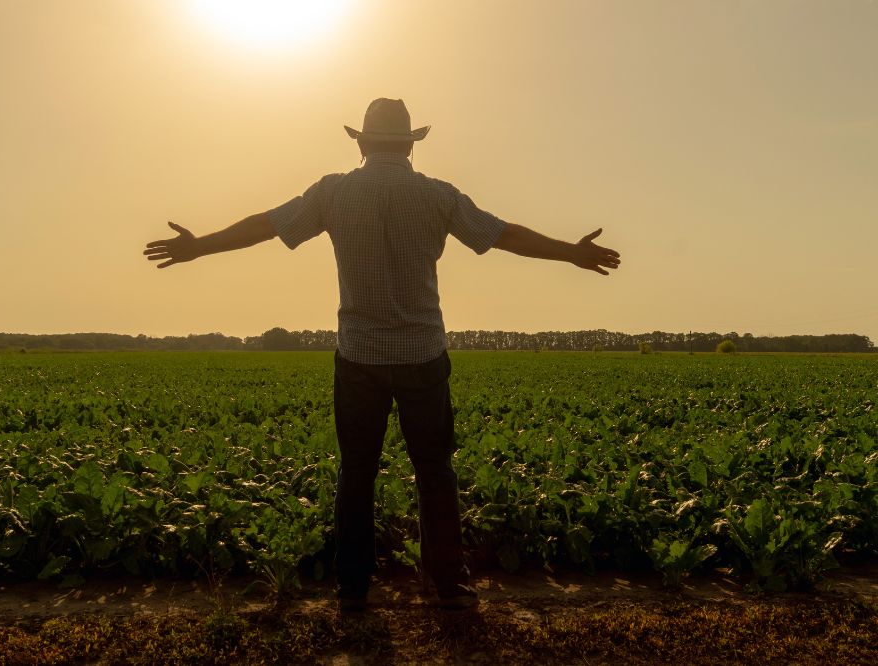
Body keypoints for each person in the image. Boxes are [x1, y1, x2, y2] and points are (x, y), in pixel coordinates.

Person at [143, 98, 621, 611]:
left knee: (357, 471)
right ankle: (449, 583)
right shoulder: (438, 195)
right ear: (412, 145)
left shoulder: (334, 192)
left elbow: (265, 225)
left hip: (359, 357)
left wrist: (201, 246)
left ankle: (353, 587)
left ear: (362, 143)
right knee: (434, 470)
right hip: (423, 354)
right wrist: (570, 252)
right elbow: (503, 235)